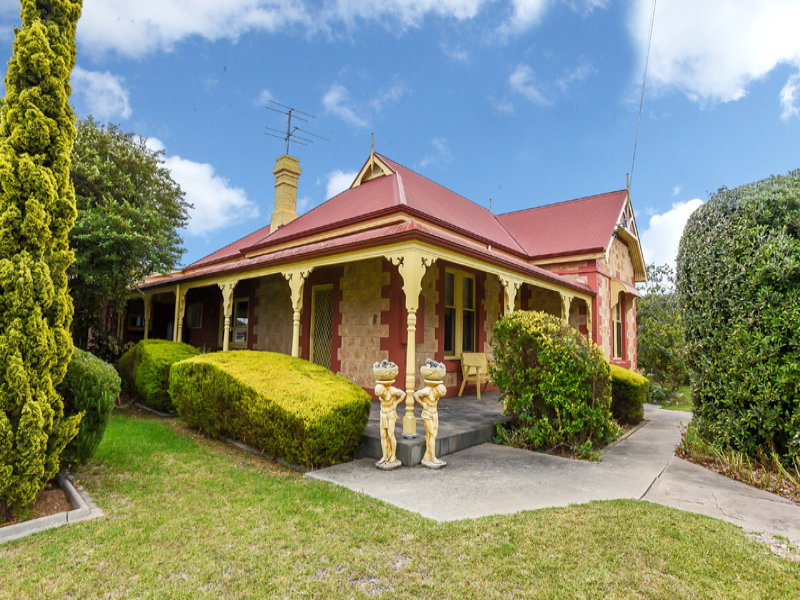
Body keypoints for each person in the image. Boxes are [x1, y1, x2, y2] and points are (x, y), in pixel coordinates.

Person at [414, 381, 447, 468]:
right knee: (431, 434)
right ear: (436, 390)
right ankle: (432, 457)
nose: (438, 396)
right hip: (427, 415)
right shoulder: (427, 391)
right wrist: (422, 404)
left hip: (434, 414)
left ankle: (426, 457)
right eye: (438, 394)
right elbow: (416, 394)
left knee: (433, 435)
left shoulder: (437, 394)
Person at [375, 381, 406, 469]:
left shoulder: (392, 390)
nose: (381, 396)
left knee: (390, 434)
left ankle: (393, 455)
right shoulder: (381, 393)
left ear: (384, 391)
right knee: (383, 435)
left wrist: (396, 402)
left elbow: (403, 394)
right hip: (383, 414)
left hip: (391, 414)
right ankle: (385, 456)